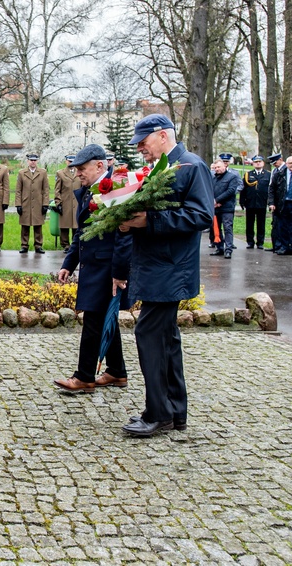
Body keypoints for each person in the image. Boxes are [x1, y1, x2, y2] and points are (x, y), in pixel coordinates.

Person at [120, 114, 213, 437]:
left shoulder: (190, 166)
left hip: (170, 268)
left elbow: (202, 214)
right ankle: (175, 412)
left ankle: (158, 413)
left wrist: (148, 221)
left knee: (150, 336)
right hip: (158, 265)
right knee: (167, 340)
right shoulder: (163, 168)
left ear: (162, 136)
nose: (140, 150)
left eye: (144, 143)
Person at [54, 144, 133, 393]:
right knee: (102, 318)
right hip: (94, 264)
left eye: (82, 168)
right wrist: (69, 263)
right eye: (76, 169)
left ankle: (84, 377)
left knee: (93, 320)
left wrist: (120, 272)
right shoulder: (89, 191)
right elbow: (82, 232)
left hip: (107, 267)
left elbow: (125, 235)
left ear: (100, 165)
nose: (78, 173)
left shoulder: (117, 189)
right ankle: (116, 372)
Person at [15, 153, 50, 254]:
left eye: (35, 160)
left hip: (38, 203)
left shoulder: (43, 172)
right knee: (25, 226)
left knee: (38, 226)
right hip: (25, 203)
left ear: (37, 161)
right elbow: (18, 190)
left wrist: (45, 204)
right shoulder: (22, 173)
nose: (33, 162)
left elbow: (46, 189)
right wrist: (18, 204)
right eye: (31, 160)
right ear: (28, 161)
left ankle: (38, 245)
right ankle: (24, 245)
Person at [210, 159, 238, 259]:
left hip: (227, 208)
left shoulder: (232, 177)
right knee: (216, 229)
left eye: (219, 167)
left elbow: (230, 191)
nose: (217, 169)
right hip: (215, 208)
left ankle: (228, 249)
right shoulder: (213, 179)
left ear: (224, 166)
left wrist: (217, 200)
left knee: (227, 228)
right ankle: (219, 247)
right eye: (215, 167)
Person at [241, 156, 269, 249]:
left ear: (263, 163)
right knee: (249, 223)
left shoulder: (268, 175)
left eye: (259, 161)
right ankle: (250, 242)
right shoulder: (247, 175)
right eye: (256, 162)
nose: (258, 163)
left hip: (262, 202)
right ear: (252, 163)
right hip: (250, 203)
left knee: (261, 224)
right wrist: (242, 201)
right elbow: (243, 189)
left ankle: (260, 242)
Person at [54, 155, 80, 253]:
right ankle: (65, 245)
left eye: (73, 161)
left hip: (77, 202)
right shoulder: (60, 173)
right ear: (66, 161)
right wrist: (58, 202)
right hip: (65, 202)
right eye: (69, 161)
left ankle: (74, 244)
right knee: (64, 225)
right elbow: (57, 190)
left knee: (75, 225)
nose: (71, 163)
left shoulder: (79, 172)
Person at [268, 156, 292, 255]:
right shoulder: (279, 174)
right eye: (290, 163)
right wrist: (271, 203)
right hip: (283, 203)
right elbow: (271, 189)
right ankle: (284, 246)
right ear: (286, 164)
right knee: (282, 226)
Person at [266, 153, 284, 252]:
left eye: (275, 162)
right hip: (276, 202)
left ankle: (282, 245)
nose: (274, 164)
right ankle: (275, 245)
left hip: (283, 202)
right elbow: (271, 187)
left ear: (280, 159)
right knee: (275, 224)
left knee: (282, 225)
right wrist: (271, 202)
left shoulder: (285, 170)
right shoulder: (274, 171)